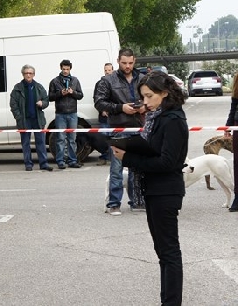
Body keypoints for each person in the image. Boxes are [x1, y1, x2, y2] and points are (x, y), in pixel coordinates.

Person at [111, 71, 188, 306]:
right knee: (163, 253)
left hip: (166, 191)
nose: (145, 102)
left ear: (164, 93)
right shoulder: (159, 117)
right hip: (154, 189)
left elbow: (167, 162)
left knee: (169, 253)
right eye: (143, 96)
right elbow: (155, 151)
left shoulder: (173, 120)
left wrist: (128, 158)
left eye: (149, 96)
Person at [94, 48, 146, 215]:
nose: (127, 66)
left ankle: (137, 201)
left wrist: (144, 107)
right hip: (119, 129)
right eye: (124, 63)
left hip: (139, 128)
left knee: (136, 168)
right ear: (118, 61)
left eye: (130, 63)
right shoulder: (108, 80)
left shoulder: (143, 78)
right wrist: (120, 107)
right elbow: (99, 102)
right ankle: (114, 204)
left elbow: (153, 97)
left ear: (135, 60)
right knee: (116, 169)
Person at [10, 64, 52, 171]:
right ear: (23, 74)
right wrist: (19, 117)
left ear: (34, 74)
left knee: (40, 142)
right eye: (26, 73)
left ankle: (44, 164)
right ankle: (28, 164)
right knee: (26, 143)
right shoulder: (17, 88)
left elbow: (46, 100)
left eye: (30, 73)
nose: (28, 75)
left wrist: (42, 103)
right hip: (24, 120)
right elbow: (13, 104)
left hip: (37, 119)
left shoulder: (39, 87)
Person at [48, 59, 84, 169]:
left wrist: (73, 92)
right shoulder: (54, 81)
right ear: (61, 68)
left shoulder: (75, 80)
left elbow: (80, 95)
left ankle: (72, 160)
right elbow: (50, 97)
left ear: (70, 69)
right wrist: (60, 93)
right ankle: (60, 161)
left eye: (67, 69)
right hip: (60, 114)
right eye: (64, 69)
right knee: (60, 139)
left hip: (72, 113)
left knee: (72, 139)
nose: (65, 71)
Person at [94, 63, 114, 165]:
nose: (107, 72)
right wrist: (102, 110)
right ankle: (105, 157)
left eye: (109, 70)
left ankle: (114, 158)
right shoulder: (99, 84)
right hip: (104, 117)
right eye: (106, 70)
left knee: (114, 138)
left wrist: (112, 110)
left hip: (114, 116)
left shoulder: (117, 83)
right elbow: (96, 99)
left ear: (113, 70)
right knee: (104, 139)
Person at [226, 72, 238, 212]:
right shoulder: (237, 78)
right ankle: (237, 196)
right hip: (237, 125)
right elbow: (233, 106)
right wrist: (228, 127)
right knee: (237, 161)